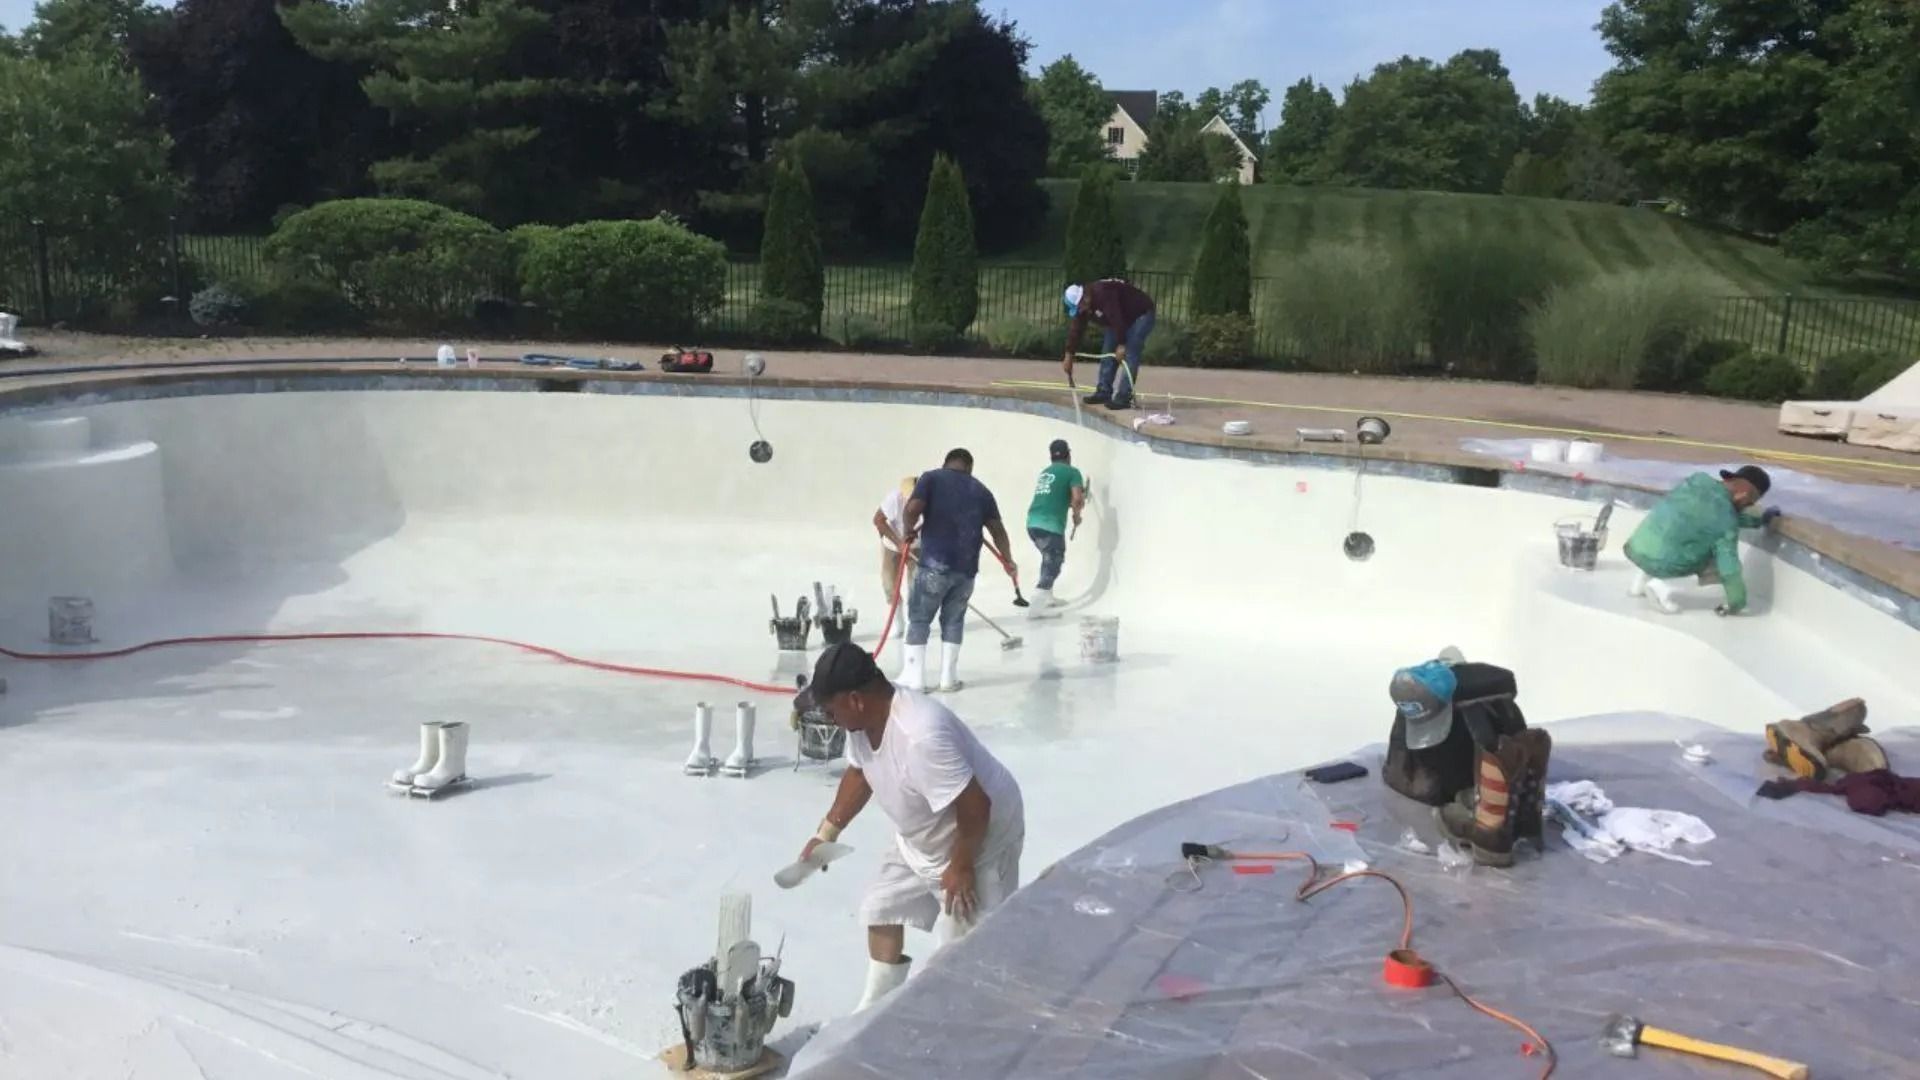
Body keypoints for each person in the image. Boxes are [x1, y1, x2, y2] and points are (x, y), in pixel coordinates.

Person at [798, 642, 1025, 1012]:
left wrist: (962, 865)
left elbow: (976, 806)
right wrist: (825, 834)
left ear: (855, 700)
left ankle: (976, 1021)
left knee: (966, 951)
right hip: (921, 836)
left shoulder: (920, 735)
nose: (828, 718)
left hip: (980, 838)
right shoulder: (861, 722)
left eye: (829, 709)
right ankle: (873, 1011)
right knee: (881, 907)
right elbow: (861, 772)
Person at [900, 449, 1016, 693]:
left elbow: (912, 509)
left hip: (934, 565)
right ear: (970, 467)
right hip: (966, 571)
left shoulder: (931, 478)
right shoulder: (982, 491)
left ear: (945, 463)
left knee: (919, 619)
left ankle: (915, 680)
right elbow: (998, 531)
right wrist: (1008, 560)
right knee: (953, 621)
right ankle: (948, 679)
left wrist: (908, 530)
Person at [1624, 465, 1781, 615]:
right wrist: (1737, 602)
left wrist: (1760, 520)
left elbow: (1716, 515)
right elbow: (1729, 569)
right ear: (1744, 495)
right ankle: (1663, 586)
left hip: (1636, 547)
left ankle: (1640, 583)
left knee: (1673, 539)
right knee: (1713, 561)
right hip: (1663, 562)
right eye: (1750, 503)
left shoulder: (1697, 480)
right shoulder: (1726, 521)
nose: (1746, 507)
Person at [1061, 278, 1156, 411]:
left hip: (1141, 314)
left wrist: (1122, 344)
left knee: (1130, 353)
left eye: (1079, 308)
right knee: (1108, 353)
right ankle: (1103, 392)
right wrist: (1069, 354)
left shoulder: (1103, 293)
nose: (1080, 311)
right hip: (1120, 318)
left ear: (1084, 299)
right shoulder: (1084, 306)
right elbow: (1076, 329)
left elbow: (1116, 316)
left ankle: (1124, 397)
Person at [1024, 439, 1085, 616]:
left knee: (1048, 557)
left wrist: (1074, 502)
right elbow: (1076, 499)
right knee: (1055, 559)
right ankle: (1037, 604)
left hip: (1032, 522)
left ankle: (1048, 597)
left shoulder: (1046, 472)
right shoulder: (1073, 472)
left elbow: (1056, 496)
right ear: (1068, 454)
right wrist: (1076, 515)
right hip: (1050, 525)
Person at [873, 476, 918, 639]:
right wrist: (898, 543)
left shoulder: (930, 502)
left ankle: (913, 622)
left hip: (917, 547)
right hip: (893, 546)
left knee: (916, 586)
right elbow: (878, 520)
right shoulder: (894, 499)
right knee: (889, 584)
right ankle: (897, 622)